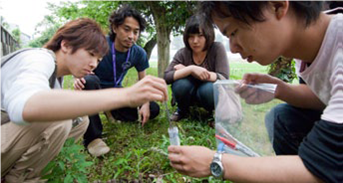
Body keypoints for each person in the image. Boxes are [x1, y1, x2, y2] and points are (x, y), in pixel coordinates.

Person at [168, 0, 342, 182]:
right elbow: (325, 98)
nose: (233, 48)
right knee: (282, 118)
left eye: (233, 32)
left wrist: (216, 162)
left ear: (277, 6)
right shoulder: (311, 48)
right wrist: (280, 89)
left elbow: (323, 168)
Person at [0, 18, 167, 183]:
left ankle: (20, 175)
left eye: (98, 60)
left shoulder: (56, 77)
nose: (94, 64)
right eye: (91, 54)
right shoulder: (37, 59)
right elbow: (25, 106)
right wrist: (125, 96)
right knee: (61, 119)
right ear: (65, 45)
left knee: (79, 121)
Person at [73, 4, 160, 157]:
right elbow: (80, 65)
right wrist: (77, 78)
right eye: (126, 29)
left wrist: (145, 104)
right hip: (95, 90)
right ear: (114, 28)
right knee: (89, 81)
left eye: (136, 31)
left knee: (153, 108)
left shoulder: (138, 53)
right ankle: (93, 138)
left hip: (117, 94)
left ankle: (111, 111)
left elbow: (143, 81)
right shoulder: (100, 44)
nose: (131, 36)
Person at [164, 15, 229, 122]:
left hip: (206, 93)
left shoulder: (217, 49)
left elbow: (223, 77)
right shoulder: (183, 53)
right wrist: (190, 69)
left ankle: (212, 113)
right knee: (180, 85)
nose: (195, 41)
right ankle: (182, 110)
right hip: (189, 93)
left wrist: (194, 72)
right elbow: (166, 76)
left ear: (208, 35)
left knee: (208, 89)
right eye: (191, 36)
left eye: (200, 36)